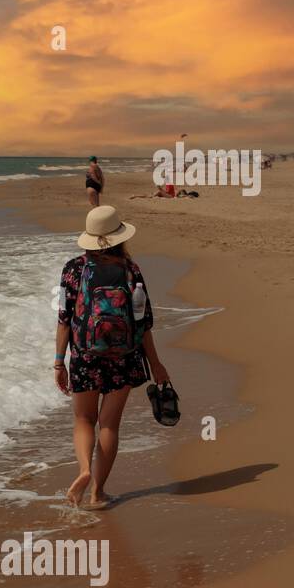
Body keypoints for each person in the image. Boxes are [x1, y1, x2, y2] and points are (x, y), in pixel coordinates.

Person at [54, 205, 170, 508]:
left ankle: (82, 470)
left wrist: (58, 362)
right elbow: (144, 323)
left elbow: (65, 319)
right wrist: (156, 365)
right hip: (125, 356)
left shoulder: (73, 269)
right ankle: (98, 492)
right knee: (109, 425)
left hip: (84, 355)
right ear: (119, 237)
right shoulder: (131, 270)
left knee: (83, 418)